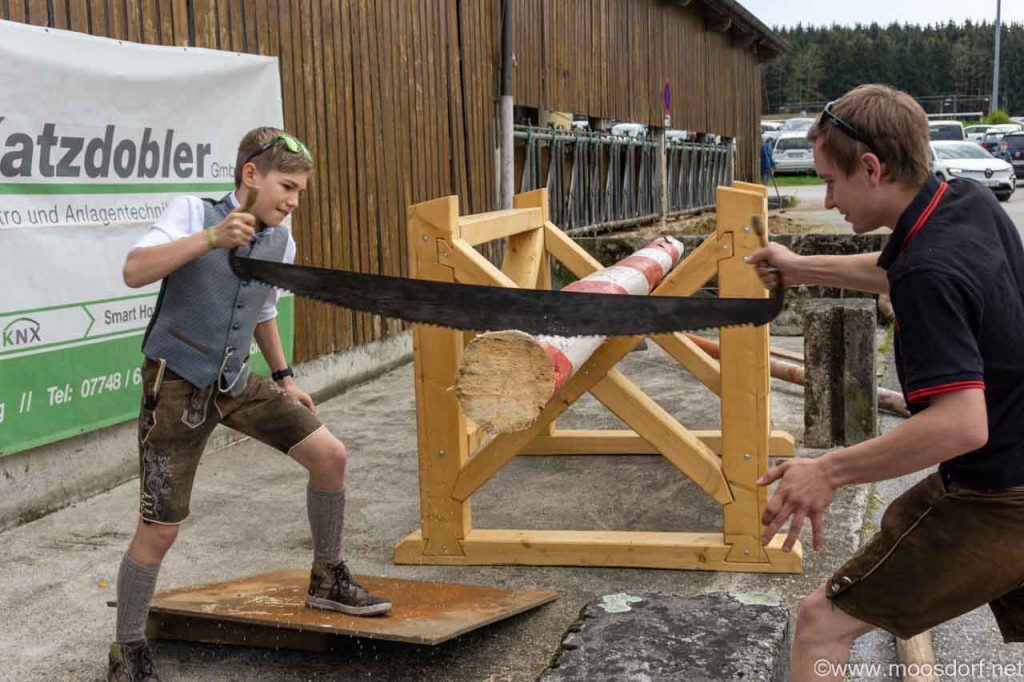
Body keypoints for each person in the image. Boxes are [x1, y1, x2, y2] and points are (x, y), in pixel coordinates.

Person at [747, 85, 1024, 681]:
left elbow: (961, 425)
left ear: (872, 168)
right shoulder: (965, 202)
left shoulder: (927, 271)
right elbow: (895, 268)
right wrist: (797, 267)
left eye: (831, 181)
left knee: (822, 623)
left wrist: (827, 471)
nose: (828, 199)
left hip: (1002, 495)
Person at [107, 127, 391, 682]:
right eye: (287, 186)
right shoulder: (193, 212)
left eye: (301, 191)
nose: (294, 200)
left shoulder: (281, 240)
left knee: (330, 455)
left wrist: (285, 377)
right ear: (251, 175)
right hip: (177, 385)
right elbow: (133, 270)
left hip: (236, 379)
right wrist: (209, 239)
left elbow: (261, 311)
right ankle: (128, 649)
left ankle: (327, 579)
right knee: (159, 530)